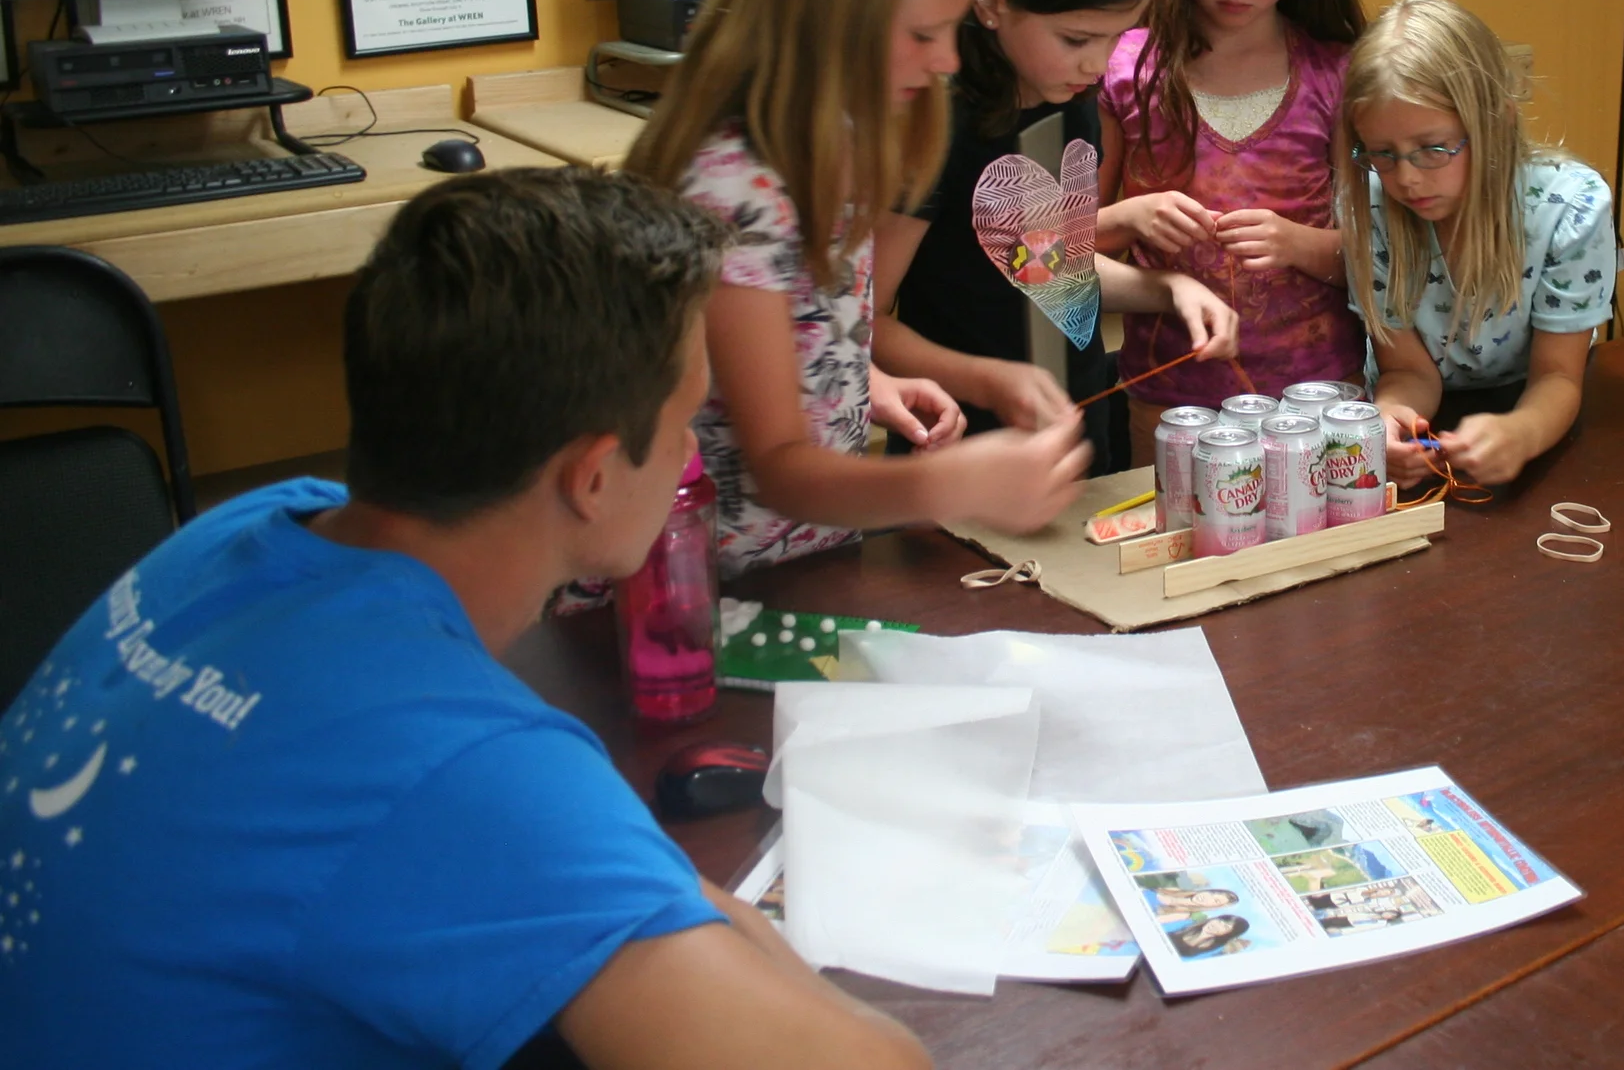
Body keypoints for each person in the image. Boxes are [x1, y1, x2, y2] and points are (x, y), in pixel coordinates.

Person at [0, 169, 930, 1070]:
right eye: (687, 416)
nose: (690, 447)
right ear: (593, 476)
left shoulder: (245, 530)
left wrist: (619, 867)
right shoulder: (453, 765)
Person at [620, 0, 1090, 593]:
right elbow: (780, 469)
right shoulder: (733, 190)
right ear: (828, 16)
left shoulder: (835, 144)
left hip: (806, 565)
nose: (948, 61)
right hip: (709, 585)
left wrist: (866, 380)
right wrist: (951, 484)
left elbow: (785, 332)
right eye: (922, 34)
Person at [878, 0, 1238, 471]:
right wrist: (989, 381)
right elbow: (857, 326)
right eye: (1076, 39)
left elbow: (1046, 268)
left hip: (1074, 445)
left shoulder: (1069, 94)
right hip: (959, 462)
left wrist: (1168, 289)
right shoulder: (932, 122)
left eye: (1117, 37)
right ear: (991, 3)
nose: (1098, 64)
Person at [1096, 0, 1369, 468]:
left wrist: (1300, 244)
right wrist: (1128, 217)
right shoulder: (1123, 69)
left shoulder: (1336, 74)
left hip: (1319, 403)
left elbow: (1384, 256)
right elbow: (1050, 259)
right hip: (1170, 405)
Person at [1339, 0, 1615, 488]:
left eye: (1432, 148)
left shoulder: (1570, 208)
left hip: (1533, 401)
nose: (1407, 178)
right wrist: (1389, 419)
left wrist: (1522, 433)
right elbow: (1407, 370)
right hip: (1438, 410)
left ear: (1496, 121)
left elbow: (1557, 376)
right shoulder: (1370, 207)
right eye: (1383, 152)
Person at [1170, 913, 1252, 956]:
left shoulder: (1214, 950)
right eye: (1219, 921)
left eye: (1225, 927)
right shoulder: (1187, 923)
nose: (1217, 925)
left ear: (1229, 934)